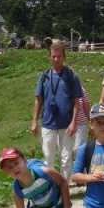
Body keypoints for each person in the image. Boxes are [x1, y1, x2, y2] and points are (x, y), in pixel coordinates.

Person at [31, 42, 84, 181]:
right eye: (53, 56)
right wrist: (34, 122)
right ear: (49, 57)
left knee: (66, 157)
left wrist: (74, 122)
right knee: (48, 157)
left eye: (59, 56)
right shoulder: (44, 76)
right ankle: (51, 186)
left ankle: (64, 186)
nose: (56, 59)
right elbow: (38, 99)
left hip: (67, 124)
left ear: (64, 57)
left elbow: (76, 101)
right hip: (48, 123)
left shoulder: (71, 76)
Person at [74, 84, 91, 154]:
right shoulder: (61, 89)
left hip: (80, 124)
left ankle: (79, 164)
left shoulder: (81, 90)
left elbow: (86, 108)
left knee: (77, 149)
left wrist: (91, 123)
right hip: (65, 125)